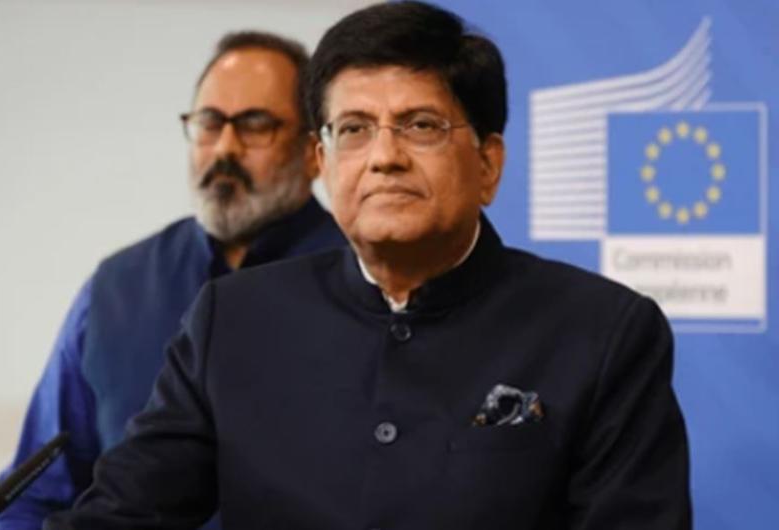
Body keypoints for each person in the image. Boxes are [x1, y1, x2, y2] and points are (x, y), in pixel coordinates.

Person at [44, 3, 692, 529]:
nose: (384, 157)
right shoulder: (232, 319)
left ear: (488, 164)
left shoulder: (602, 332)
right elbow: (125, 512)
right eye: (354, 129)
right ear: (321, 162)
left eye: (420, 125)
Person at [0, 31, 344, 530]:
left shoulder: (365, 280)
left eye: (255, 126)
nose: (225, 148)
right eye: (209, 123)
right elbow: (33, 495)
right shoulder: (116, 289)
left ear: (313, 150)